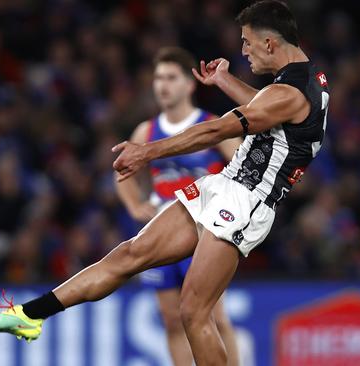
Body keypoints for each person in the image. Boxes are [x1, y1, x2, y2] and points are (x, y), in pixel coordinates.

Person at [0, 1, 330, 364]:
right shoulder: (302, 82)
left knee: (193, 311)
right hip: (222, 185)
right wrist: (224, 80)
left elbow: (219, 129)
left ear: (270, 44)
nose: (242, 50)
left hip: (246, 201)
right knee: (130, 254)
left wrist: (148, 152)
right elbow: (267, 109)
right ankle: (30, 316)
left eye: (247, 42)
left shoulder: (289, 93)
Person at [116, 46, 240, 366]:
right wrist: (134, 205)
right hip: (161, 232)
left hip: (202, 234)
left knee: (213, 316)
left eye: (171, 77)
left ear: (189, 84)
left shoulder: (215, 126)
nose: (162, 85)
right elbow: (122, 171)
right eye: (158, 78)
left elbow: (245, 168)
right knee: (172, 319)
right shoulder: (146, 131)